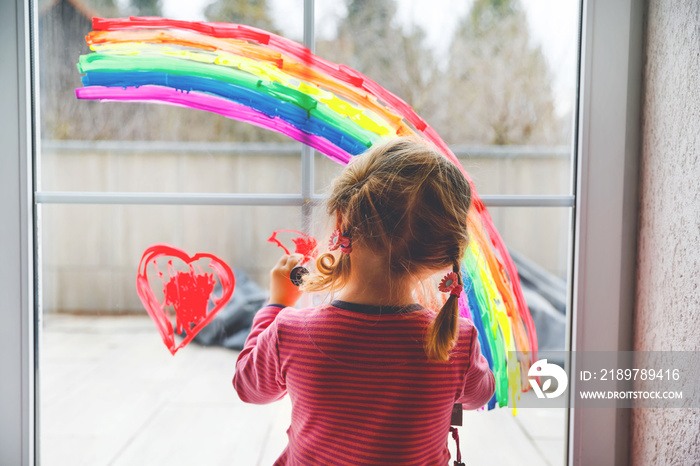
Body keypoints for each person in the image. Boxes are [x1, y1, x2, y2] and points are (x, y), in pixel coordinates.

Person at [233, 137, 495, 465]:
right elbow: (480, 394)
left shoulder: (291, 332)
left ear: (342, 222)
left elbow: (248, 385)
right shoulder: (457, 342)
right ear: (443, 255)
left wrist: (277, 305)